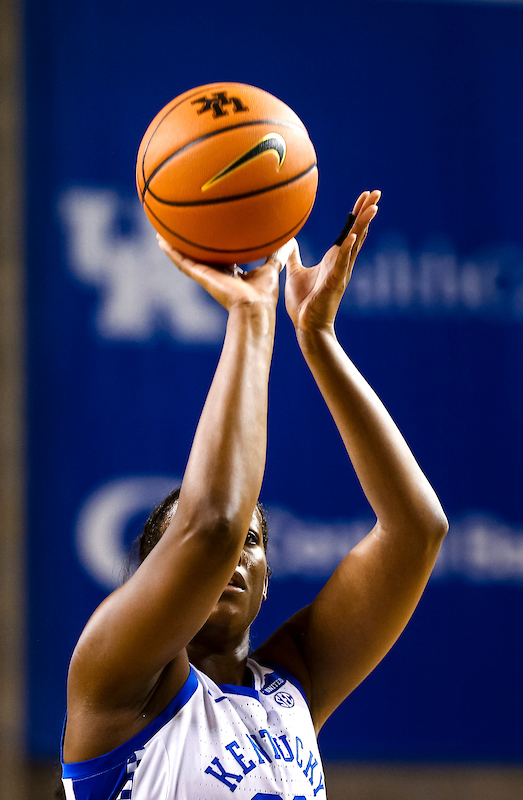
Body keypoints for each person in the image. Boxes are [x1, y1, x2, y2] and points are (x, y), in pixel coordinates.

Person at [59, 191, 448, 799]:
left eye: (253, 543)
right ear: (154, 579)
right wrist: (251, 316)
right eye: (182, 548)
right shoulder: (113, 677)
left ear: (267, 581)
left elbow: (416, 531)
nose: (234, 555)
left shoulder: (294, 685)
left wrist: (318, 338)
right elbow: (212, 527)